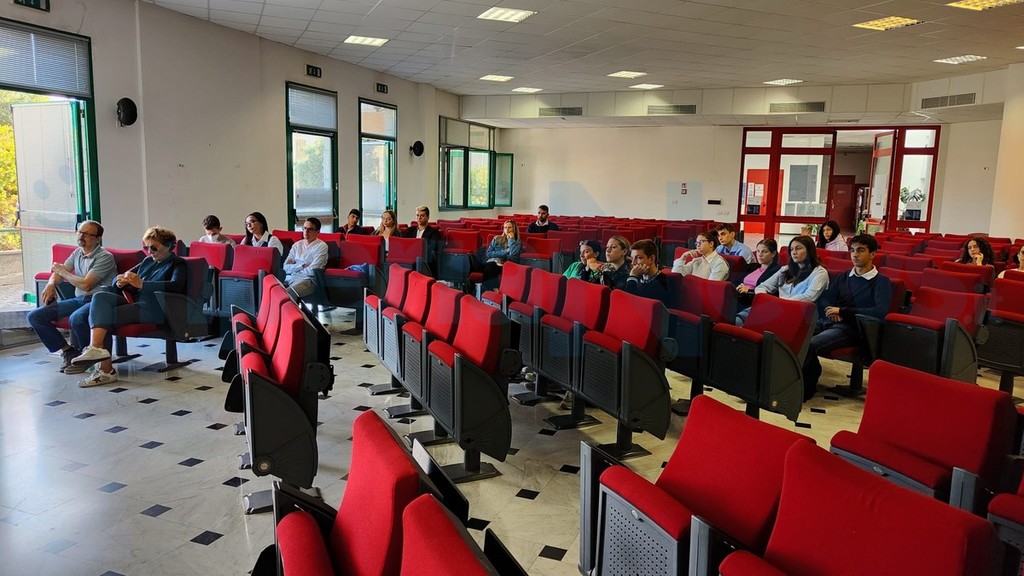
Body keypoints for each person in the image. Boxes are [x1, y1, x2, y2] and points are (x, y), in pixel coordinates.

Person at [70, 226, 187, 388]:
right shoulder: (147, 261)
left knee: (104, 318)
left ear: (169, 246)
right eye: (146, 247)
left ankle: (105, 369)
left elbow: (176, 286)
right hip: (136, 303)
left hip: (156, 308)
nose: (150, 252)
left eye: (154, 248)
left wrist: (142, 284)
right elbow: (120, 277)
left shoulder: (178, 263)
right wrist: (119, 281)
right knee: (100, 296)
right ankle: (96, 349)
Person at [803, 234, 892, 401]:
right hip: (829, 321)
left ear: (872, 254)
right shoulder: (845, 276)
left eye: (860, 250)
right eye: (852, 250)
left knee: (811, 345)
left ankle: (806, 386)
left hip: (853, 328)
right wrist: (831, 312)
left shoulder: (881, 282)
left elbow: (879, 312)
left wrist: (842, 312)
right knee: (794, 337)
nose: (855, 255)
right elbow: (825, 298)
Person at [27, 220, 118, 374]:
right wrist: (51, 284)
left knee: (77, 318)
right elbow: (58, 273)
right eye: (80, 232)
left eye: (87, 234)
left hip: (98, 301)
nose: (81, 236)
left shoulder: (104, 257)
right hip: (79, 299)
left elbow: (86, 284)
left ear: (98, 239)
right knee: (35, 316)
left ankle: (88, 357)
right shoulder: (77, 252)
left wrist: (63, 272)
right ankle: (69, 351)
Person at [739, 235, 828, 325]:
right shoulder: (786, 269)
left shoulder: (820, 273)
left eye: (798, 248)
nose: (794, 252)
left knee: (752, 321)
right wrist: (766, 299)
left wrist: (780, 303)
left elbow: (809, 297)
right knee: (741, 317)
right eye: (792, 249)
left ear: (809, 251)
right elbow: (763, 286)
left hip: (798, 313)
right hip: (776, 307)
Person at [283, 217, 329, 298]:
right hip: (290, 277)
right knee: (273, 289)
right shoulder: (297, 245)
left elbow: (313, 270)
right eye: (304, 228)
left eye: (310, 229)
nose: (306, 232)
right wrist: (302, 265)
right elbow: (285, 267)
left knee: (289, 293)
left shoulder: (321, 246)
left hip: (308, 280)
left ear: (318, 231)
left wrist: (294, 268)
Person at [735, 238, 781, 309]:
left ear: (773, 254)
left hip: (753, 302)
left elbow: (770, 293)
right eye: (758, 251)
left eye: (764, 252)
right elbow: (737, 281)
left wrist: (748, 291)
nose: (760, 254)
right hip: (739, 296)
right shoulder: (753, 266)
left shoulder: (777, 271)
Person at [625, 240, 669, 305]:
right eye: (632, 258)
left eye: (639, 258)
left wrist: (632, 277)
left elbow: (631, 303)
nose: (633, 263)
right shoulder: (637, 278)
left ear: (651, 259)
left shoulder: (662, 282)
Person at [402, 205, 440, 273]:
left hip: (424, 260)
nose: (419, 218)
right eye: (417, 215)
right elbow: (402, 243)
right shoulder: (410, 230)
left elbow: (431, 247)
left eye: (422, 216)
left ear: (427, 217)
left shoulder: (434, 232)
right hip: (410, 259)